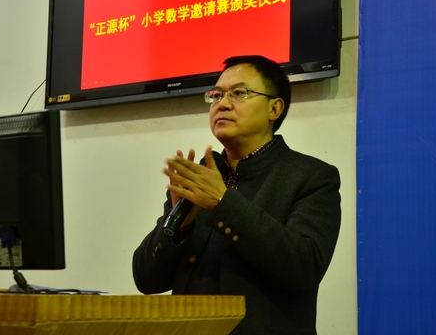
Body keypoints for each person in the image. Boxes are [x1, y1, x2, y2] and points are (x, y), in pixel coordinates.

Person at [132, 55, 341, 335]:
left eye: (239, 93)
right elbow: (146, 280)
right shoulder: (202, 177)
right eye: (216, 95)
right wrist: (178, 224)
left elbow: (305, 269)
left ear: (274, 108)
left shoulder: (312, 176)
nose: (223, 104)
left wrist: (223, 202)